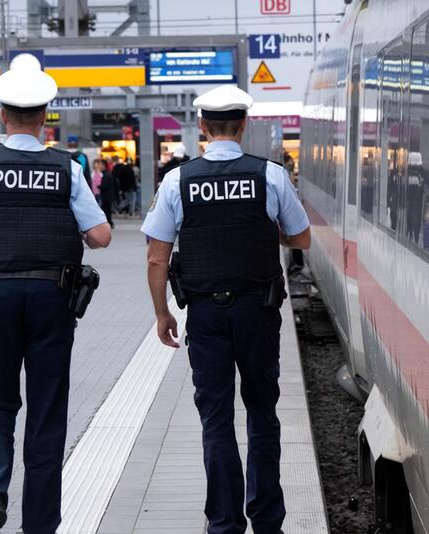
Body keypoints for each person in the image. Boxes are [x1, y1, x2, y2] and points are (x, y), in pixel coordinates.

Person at [0, 53, 111, 534]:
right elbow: (103, 237)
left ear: (1, 114)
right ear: (46, 114)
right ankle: (41, 526)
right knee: (47, 410)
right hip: (54, 299)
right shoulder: (67, 169)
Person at [141, 84, 310, 534]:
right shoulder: (271, 176)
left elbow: (157, 257)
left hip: (206, 316)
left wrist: (162, 314)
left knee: (215, 419)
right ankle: (268, 519)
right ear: (244, 124)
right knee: (261, 412)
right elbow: (302, 238)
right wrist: (258, 232)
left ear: (201, 127)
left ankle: (224, 523)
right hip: (258, 312)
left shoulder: (178, 180)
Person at [94, 158, 116, 228]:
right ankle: (109, 223)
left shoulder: (106, 174)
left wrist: (99, 186)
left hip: (106, 196)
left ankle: (109, 223)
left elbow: (105, 185)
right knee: (107, 210)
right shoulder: (106, 173)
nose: (99, 166)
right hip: (108, 196)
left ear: (103, 165)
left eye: (100, 164)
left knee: (106, 211)